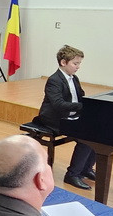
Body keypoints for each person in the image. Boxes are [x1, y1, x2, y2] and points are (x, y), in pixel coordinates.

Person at [32, 45, 96, 190]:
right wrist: (81, 106)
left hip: (71, 115)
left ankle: (86, 169)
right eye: (75, 63)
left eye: (79, 63)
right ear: (63, 62)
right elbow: (58, 104)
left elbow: (81, 96)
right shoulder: (54, 80)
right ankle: (72, 175)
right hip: (54, 118)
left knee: (98, 133)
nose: (78, 67)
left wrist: (91, 104)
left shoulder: (74, 78)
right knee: (86, 137)